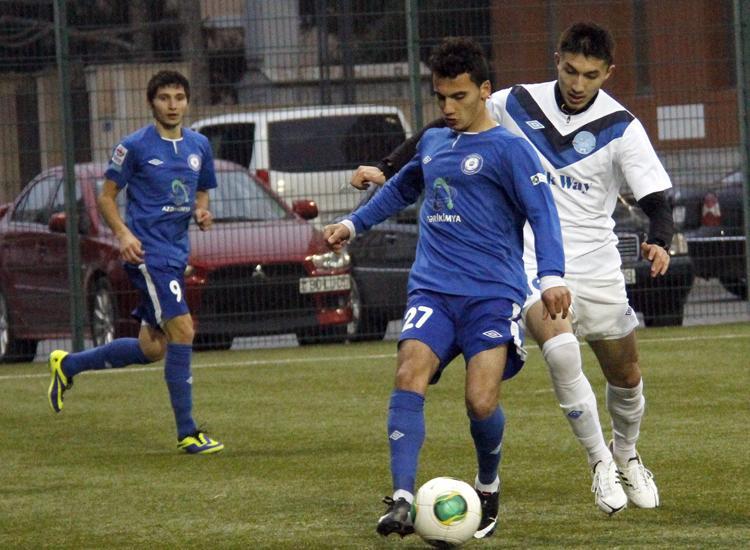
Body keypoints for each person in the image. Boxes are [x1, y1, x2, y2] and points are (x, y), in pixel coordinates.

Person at [350, 22, 669, 514]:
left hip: (596, 260)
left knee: (625, 375)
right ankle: (599, 461)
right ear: (557, 59)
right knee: (561, 352)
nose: (577, 83)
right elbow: (445, 124)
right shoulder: (515, 101)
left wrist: (660, 240)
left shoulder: (621, 125)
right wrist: (389, 166)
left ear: (608, 73)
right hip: (532, 259)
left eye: (589, 75)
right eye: (570, 70)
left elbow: (656, 197)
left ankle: (626, 452)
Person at [325, 37, 571, 539]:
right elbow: (400, 188)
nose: (449, 107)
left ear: (485, 90)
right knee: (408, 372)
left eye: (459, 96)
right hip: (432, 290)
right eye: (441, 97)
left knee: (480, 401)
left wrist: (551, 277)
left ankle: (488, 484)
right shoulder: (434, 142)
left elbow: (544, 215)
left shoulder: (510, 150)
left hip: (491, 295)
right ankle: (401, 498)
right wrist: (352, 225)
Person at [47, 70, 224, 455]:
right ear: (151, 103)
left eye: (179, 97)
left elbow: (202, 192)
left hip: (175, 254)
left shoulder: (199, 145)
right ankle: (188, 432)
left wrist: (201, 212)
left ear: (187, 102)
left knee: (152, 348)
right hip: (148, 254)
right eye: (164, 98)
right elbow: (106, 198)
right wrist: (124, 236)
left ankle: (68, 365)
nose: (173, 105)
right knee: (183, 330)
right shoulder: (134, 146)